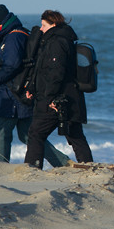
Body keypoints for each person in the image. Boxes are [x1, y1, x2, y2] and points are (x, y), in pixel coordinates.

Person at [0, 4, 70, 166]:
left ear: (1, 24)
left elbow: (12, 64)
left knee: (1, 132)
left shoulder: (12, 37)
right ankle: (63, 163)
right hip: (21, 92)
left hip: (13, 94)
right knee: (28, 135)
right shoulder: (19, 33)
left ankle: (0, 166)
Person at [24, 10, 94, 169]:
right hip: (70, 98)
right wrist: (32, 87)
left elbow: (56, 73)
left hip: (58, 99)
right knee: (75, 135)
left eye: (44, 25)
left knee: (36, 134)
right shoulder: (58, 40)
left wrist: (49, 98)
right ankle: (89, 167)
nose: (40, 29)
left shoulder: (57, 42)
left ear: (53, 24)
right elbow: (42, 70)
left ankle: (31, 169)